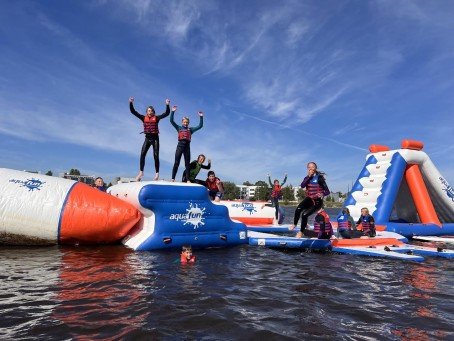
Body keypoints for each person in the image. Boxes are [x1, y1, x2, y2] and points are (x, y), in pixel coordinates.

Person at [129, 97, 171, 181]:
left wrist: (167, 105)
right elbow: (133, 112)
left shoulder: (157, 118)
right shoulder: (143, 118)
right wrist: (131, 103)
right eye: (148, 111)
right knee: (142, 154)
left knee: (155, 155)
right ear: (146, 112)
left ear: (153, 112)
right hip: (147, 138)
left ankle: (157, 173)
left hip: (155, 139)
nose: (150, 112)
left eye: (151, 111)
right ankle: (141, 172)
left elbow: (166, 113)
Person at [289, 162, 330, 238]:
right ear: (307, 169)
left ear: (315, 168)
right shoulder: (306, 178)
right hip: (309, 199)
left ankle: (301, 232)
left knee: (304, 214)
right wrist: (308, 177)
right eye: (309, 167)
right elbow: (302, 186)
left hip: (317, 202)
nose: (311, 168)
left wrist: (322, 194)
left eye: (312, 167)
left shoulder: (320, 178)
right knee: (298, 209)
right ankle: (294, 224)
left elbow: (327, 191)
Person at [170, 108, 204, 182]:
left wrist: (201, 117)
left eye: (187, 122)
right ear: (182, 122)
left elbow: (200, 126)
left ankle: (188, 179)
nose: (185, 123)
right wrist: (172, 112)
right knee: (176, 162)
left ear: (188, 123)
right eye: (184, 122)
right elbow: (171, 121)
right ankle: (173, 178)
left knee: (187, 164)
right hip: (180, 146)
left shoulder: (190, 130)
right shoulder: (179, 128)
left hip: (187, 148)